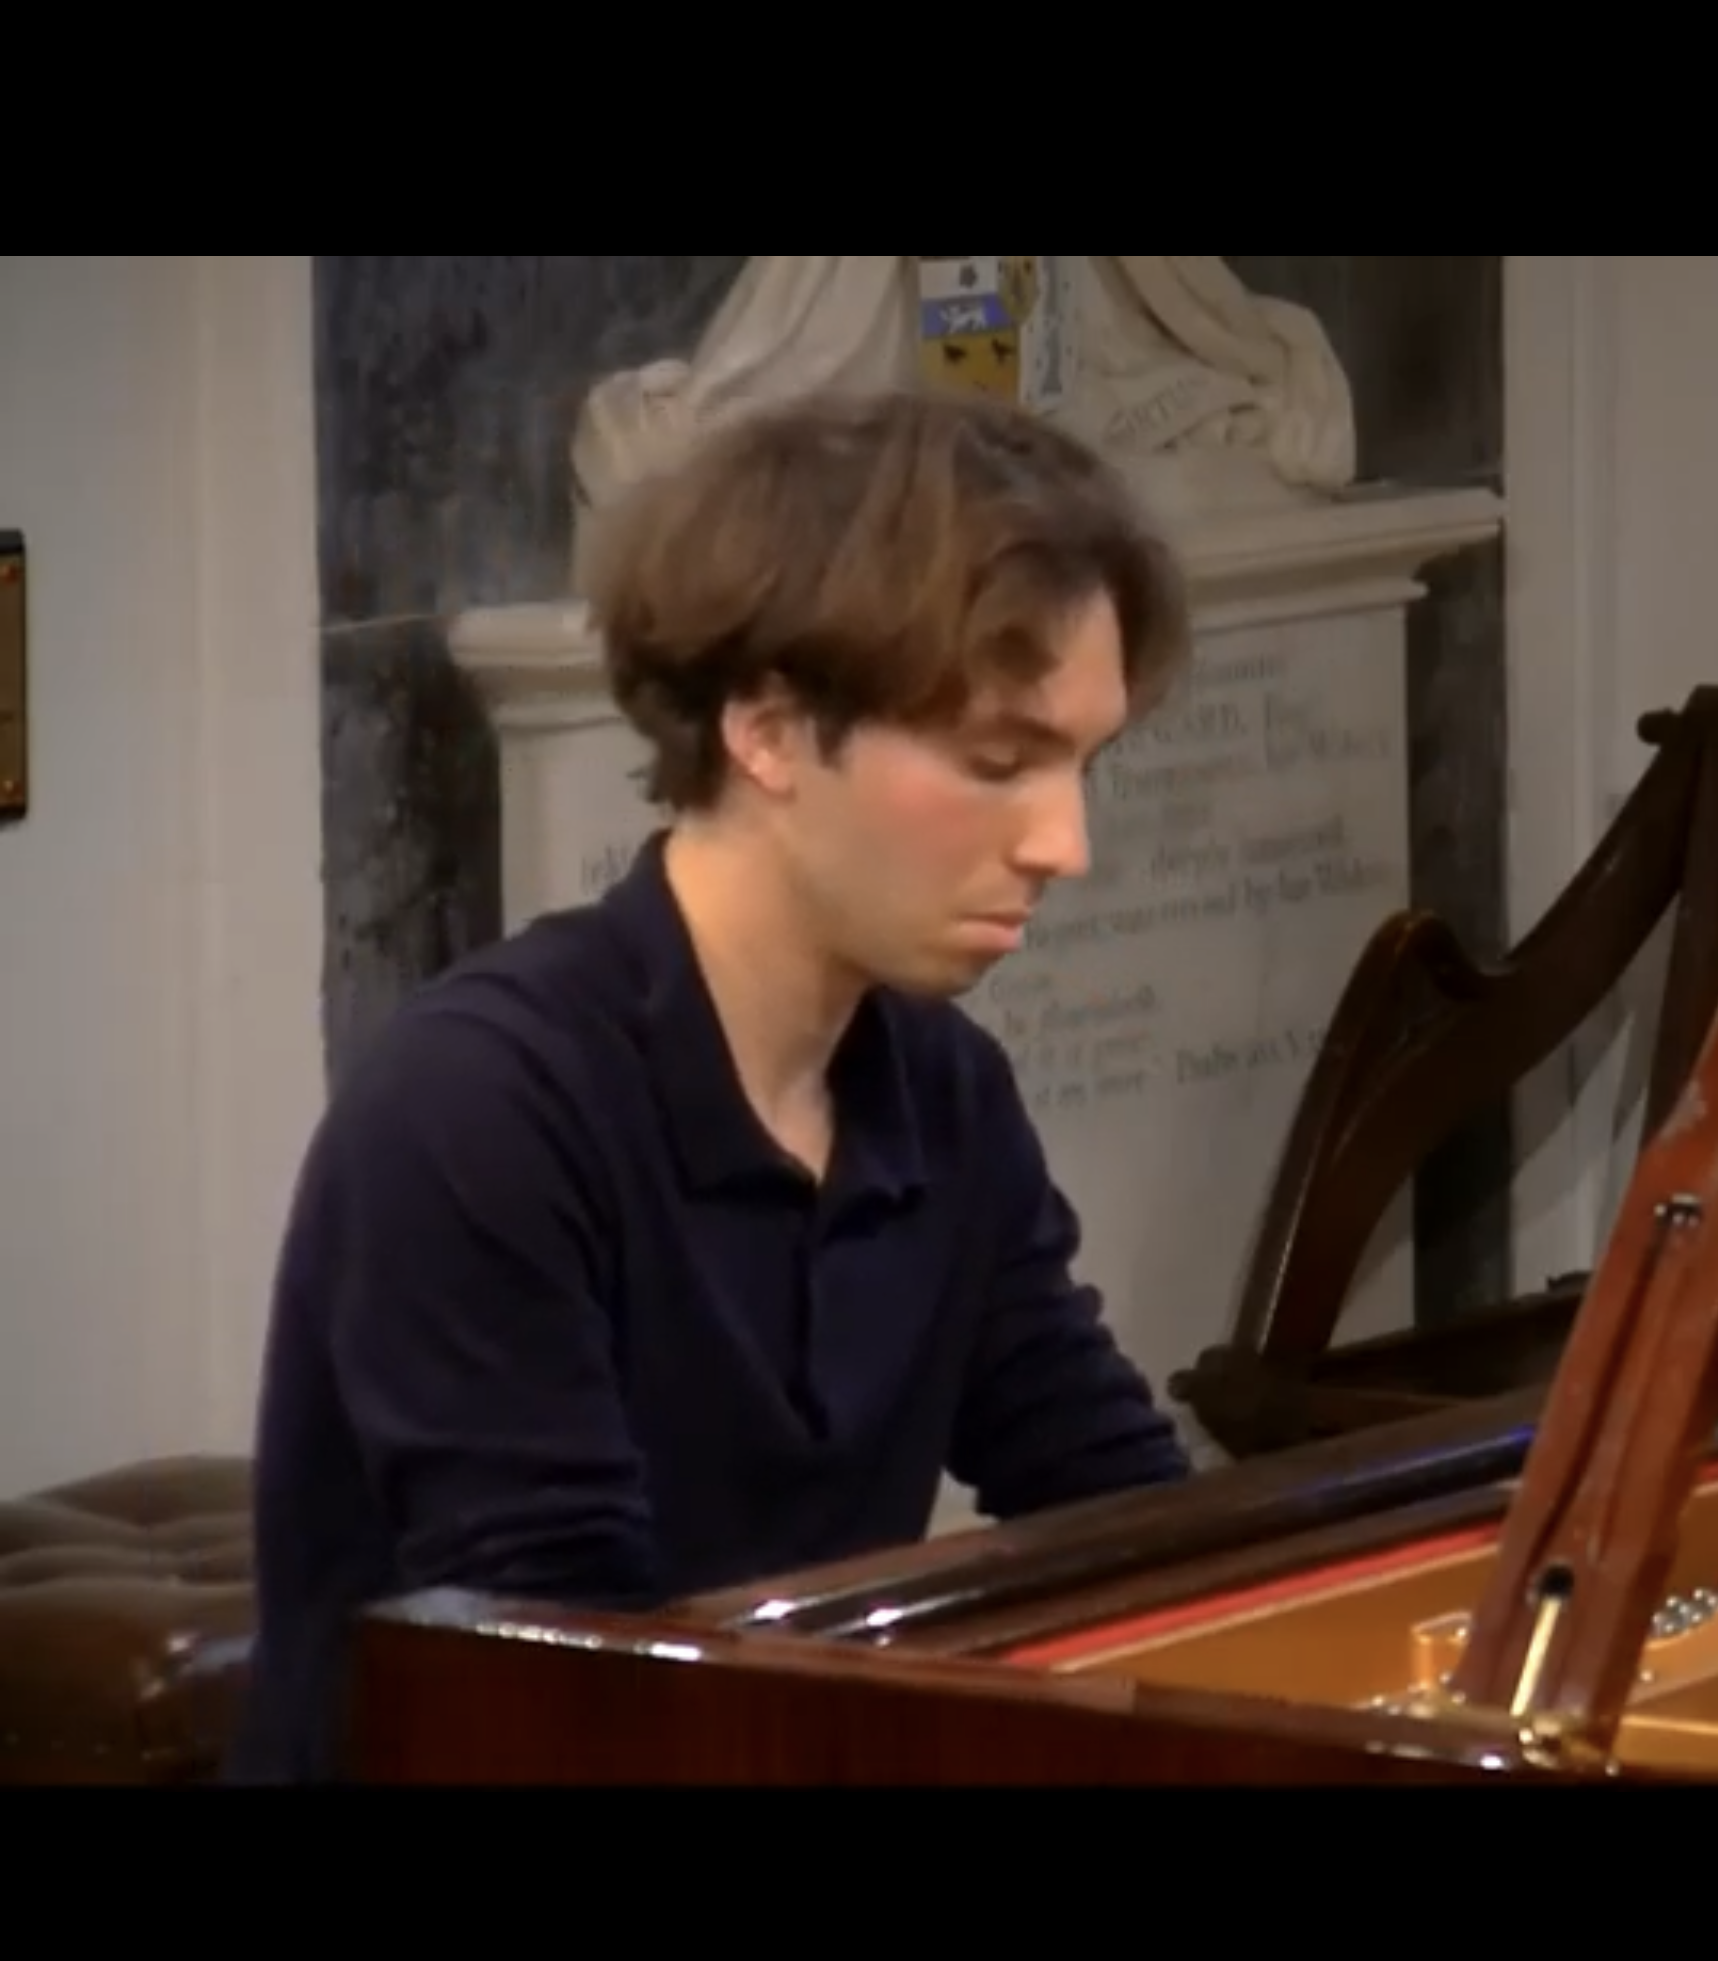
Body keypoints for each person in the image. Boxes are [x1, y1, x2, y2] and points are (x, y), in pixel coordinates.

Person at [229, 387, 1198, 1782]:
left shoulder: (944, 1091)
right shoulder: (478, 1109)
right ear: (769, 730)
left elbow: (1122, 1512)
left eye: (1084, 765)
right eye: (1001, 762)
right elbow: (568, 1686)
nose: (1065, 842)